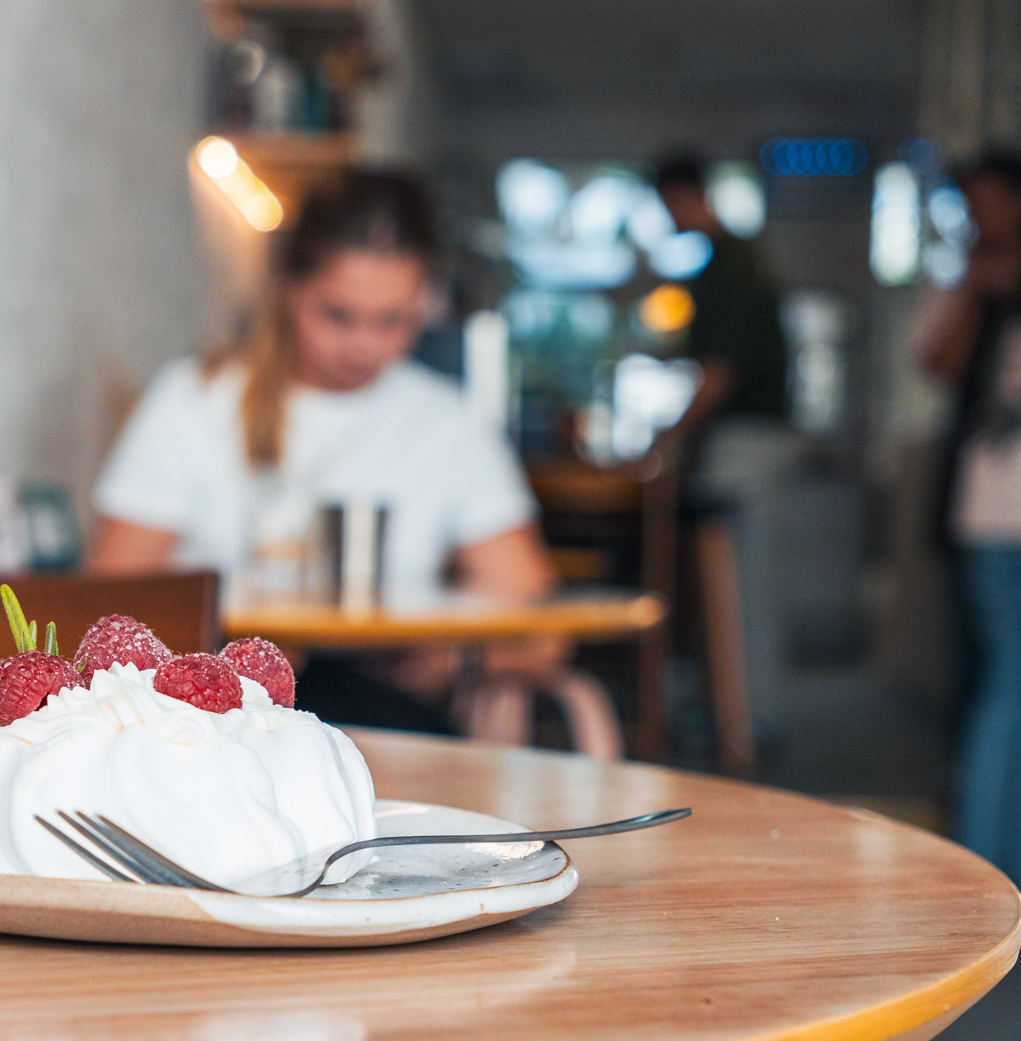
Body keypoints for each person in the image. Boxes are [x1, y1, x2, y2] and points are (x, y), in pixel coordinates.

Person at [88, 169, 559, 728]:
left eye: (394, 321)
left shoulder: (447, 422)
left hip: (383, 707)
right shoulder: (194, 401)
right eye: (338, 315)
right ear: (288, 287)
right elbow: (109, 600)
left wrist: (448, 662)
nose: (364, 345)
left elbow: (530, 611)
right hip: (208, 713)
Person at [917, 151, 1021, 923]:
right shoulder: (985, 287)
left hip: (993, 506)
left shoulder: (1005, 291)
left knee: (1012, 685)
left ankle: (990, 872)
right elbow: (937, 366)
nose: (982, 217)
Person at [646, 154, 790, 479]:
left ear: (683, 195)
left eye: (667, 204)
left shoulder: (732, 266)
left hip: (749, 436)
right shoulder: (725, 261)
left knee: (728, 529)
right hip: (747, 433)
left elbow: (720, 372)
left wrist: (670, 437)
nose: (668, 216)